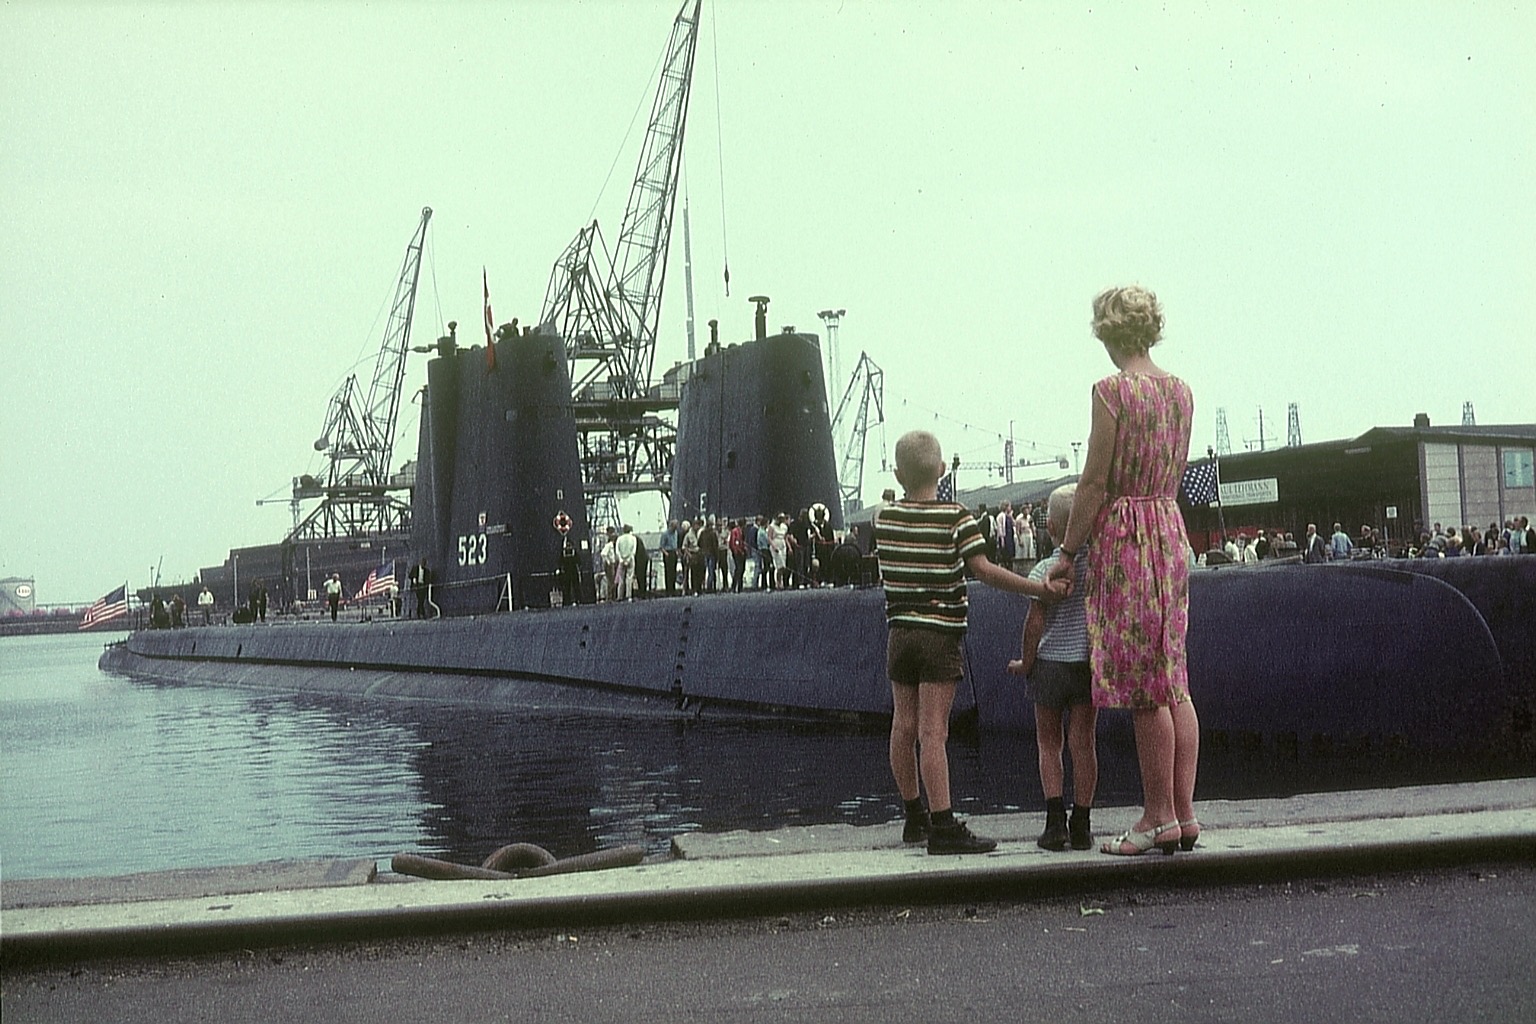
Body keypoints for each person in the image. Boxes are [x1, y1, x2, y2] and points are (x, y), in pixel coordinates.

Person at [1049, 285, 1199, 856]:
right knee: (1173, 678)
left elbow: (1093, 481)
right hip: (1168, 527)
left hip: (1128, 535)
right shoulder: (1181, 391)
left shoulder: (1112, 391)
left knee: (1143, 686)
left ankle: (1156, 817)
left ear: (1109, 334)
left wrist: (1068, 550)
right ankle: (1183, 814)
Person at [875, 429, 1068, 855]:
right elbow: (983, 570)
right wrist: (1037, 590)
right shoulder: (956, 517)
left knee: (903, 726)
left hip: (900, 634)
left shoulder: (884, 519)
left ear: (897, 475)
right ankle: (944, 826)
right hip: (939, 634)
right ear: (943, 471)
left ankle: (914, 816)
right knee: (933, 732)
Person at [1009, 483, 1097, 851]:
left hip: (1048, 666)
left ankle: (1055, 821)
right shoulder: (1097, 569)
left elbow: (1034, 623)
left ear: (1052, 528)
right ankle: (1082, 824)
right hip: (1086, 666)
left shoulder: (1044, 570)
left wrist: (1026, 662)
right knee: (1084, 744)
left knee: (1049, 744)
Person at [614, 524, 638, 601]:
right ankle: (628, 595)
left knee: (621, 579)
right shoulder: (633, 538)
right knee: (629, 578)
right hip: (630, 559)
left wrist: (621, 559)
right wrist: (628, 559)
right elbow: (633, 551)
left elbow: (617, 551)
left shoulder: (619, 539)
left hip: (621, 560)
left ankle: (619, 596)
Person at [660, 520, 680, 596]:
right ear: (671, 526)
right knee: (668, 572)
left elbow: (675, 544)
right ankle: (668, 590)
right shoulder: (665, 534)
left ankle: (673, 589)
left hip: (674, 553)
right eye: (674, 527)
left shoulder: (675, 533)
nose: (675, 529)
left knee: (673, 572)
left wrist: (677, 552)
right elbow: (661, 546)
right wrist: (666, 554)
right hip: (668, 553)